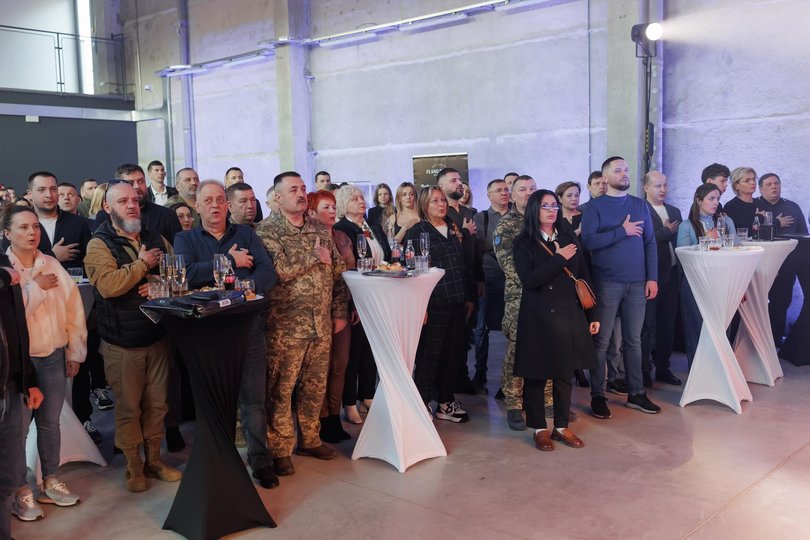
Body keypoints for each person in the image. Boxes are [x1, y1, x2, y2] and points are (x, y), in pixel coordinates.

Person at [173, 180, 279, 489]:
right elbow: (185, 274)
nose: (215, 205)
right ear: (197, 206)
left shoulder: (246, 234)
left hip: (247, 327)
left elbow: (267, 272)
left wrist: (244, 288)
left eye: (220, 199)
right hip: (208, 332)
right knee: (214, 401)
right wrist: (230, 261)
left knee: (253, 400)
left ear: (228, 205)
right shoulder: (185, 238)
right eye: (208, 200)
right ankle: (220, 461)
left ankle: (260, 460)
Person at [83, 181, 182, 492]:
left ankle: (154, 459)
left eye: (135, 200)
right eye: (122, 201)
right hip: (122, 342)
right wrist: (143, 265)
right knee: (128, 408)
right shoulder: (99, 244)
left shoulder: (155, 237)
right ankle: (133, 465)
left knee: (158, 405)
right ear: (107, 208)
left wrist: (158, 285)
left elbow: (177, 276)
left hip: (157, 336)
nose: (131, 205)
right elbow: (108, 286)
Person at [255, 171, 348, 477]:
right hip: (285, 327)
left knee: (314, 386)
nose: (300, 193)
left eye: (303, 188)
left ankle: (310, 439)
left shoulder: (319, 228)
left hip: (320, 324)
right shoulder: (266, 231)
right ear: (278, 197)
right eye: (293, 189)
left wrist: (338, 312)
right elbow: (279, 270)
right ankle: (280, 449)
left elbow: (337, 272)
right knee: (281, 390)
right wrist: (314, 255)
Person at [4, 206, 86, 520]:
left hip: (53, 356)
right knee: (18, 431)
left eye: (35, 227)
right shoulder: (4, 269)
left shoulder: (50, 263)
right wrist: (35, 288)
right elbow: (10, 317)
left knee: (50, 423)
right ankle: (20, 491)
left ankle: (51, 479)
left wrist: (75, 351)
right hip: (19, 364)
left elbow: (73, 309)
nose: (32, 233)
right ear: (7, 233)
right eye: (23, 227)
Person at [513, 190, 599, 451]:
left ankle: (561, 426)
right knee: (536, 374)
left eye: (554, 206)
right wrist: (559, 259)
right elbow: (530, 280)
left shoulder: (568, 237)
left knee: (564, 373)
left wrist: (592, 314)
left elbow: (583, 276)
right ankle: (539, 428)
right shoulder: (523, 242)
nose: (551, 211)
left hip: (568, 314)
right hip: (537, 316)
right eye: (545, 206)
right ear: (534, 210)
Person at [581, 156, 661, 419]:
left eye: (626, 169)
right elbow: (588, 242)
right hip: (606, 282)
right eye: (618, 170)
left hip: (637, 283)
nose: (624, 173)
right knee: (601, 341)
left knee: (634, 340)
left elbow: (650, 243)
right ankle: (598, 395)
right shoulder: (594, 207)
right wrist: (621, 231)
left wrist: (652, 277)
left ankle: (636, 393)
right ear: (605, 177)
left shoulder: (639, 205)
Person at [406, 186, 475, 422]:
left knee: (452, 354)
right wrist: (421, 305)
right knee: (430, 355)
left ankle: (445, 402)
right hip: (434, 302)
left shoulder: (452, 227)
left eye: (443, 200)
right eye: (435, 201)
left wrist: (468, 297)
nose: (441, 205)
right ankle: (421, 402)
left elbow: (462, 264)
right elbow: (413, 272)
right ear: (424, 205)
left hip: (457, 299)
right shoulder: (417, 232)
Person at [333, 185, 390, 425]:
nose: (361, 201)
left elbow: (385, 254)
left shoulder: (371, 225)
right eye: (354, 198)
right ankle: (349, 402)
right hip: (355, 296)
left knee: (371, 348)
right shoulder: (341, 229)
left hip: (377, 294)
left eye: (361, 197)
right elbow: (346, 267)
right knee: (353, 352)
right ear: (343, 204)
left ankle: (367, 394)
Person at [1, 252, 44, 537]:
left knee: (7, 478)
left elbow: (17, 329)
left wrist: (29, 380)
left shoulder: (5, 269)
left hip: (10, 385)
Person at [306, 190, 354, 444]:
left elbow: (350, 275)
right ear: (311, 212)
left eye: (334, 206)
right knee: (319, 369)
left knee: (340, 365)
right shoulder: (307, 238)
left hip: (342, 307)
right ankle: (321, 418)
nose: (333, 211)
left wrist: (352, 306)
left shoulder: (343, 237)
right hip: (316, 312)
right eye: (326, 207)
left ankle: (334, 415)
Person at [493, 175, 537, 430]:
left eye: (532, 188)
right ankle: (513, 404)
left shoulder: (544, 221)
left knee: (544, 348)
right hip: (519, 298)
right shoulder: (506, 225)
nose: (528, 193)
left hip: (545, 298)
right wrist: (538, 279)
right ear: (513, 194)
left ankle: (544, 399)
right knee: (516, 351)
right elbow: (509, 265)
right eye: (523, 189)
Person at [676, 183, 736, 366]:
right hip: (695, 282)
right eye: (711, 198)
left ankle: (721, 368)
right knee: (696, 326)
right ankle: (698, 369)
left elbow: (735, 247)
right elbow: (682, 253)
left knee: (722, 326)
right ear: (699, 200)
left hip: (720, 280)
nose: (716, 202)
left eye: (718, 198)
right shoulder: (686, 225)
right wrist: (706, 241)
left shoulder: (724, 221)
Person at [756, 173, 808, 347]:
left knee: (782, 302)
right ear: (760, 188)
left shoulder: (792, 207)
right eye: (769, 184)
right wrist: (776, 224)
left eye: (776, 183)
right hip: (760, 264)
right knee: (756, 303)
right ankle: (756, 342)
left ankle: (774, 340)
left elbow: (803, 235)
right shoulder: (755, 207)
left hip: (787, 265)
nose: (774, 187)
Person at [640, 171, 682, 387]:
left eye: (665, 185)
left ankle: (663, 367)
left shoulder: (674, 211)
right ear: (646, 188)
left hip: (672, 274)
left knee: (668, 325)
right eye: (657, 186)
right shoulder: (640, 210)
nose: (663, 189)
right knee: (647, 326)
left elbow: (680, 240)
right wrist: (665, 231)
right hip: (651, 276)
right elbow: (642, 241)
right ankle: (644, 370)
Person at [471, 178, 510, 390]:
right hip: (489, 277)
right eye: (498, 190)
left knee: (514, 329)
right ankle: (480, 373)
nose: (504, 193)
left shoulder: (518, 216)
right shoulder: (481, 217)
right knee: (481, 328)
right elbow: (479, 248)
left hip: (514, 279)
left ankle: (511, 378)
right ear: (489, 195)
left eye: (506, 189)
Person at [95, 164, 183, 244]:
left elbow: (177, 252)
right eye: (130, 183)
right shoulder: (105, 215)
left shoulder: (167, 215)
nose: (137, 186)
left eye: (141, 181)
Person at [26, 172, 91, 273]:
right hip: (31, 281)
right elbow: (14, 262)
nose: (49, 195)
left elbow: (90, 260)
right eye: (41, 190)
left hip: (72, 282)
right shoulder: (20, 224)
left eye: (53, 189)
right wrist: (53, 255)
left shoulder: (78, 223)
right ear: (30, 194)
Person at [723, 167, 759, 233]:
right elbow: (742, 231)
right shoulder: (731, 207)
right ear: (736, 186)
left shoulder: (760, 203)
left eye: (754, 179)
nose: (753, 182)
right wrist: (758, 218)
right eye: (747, 180)